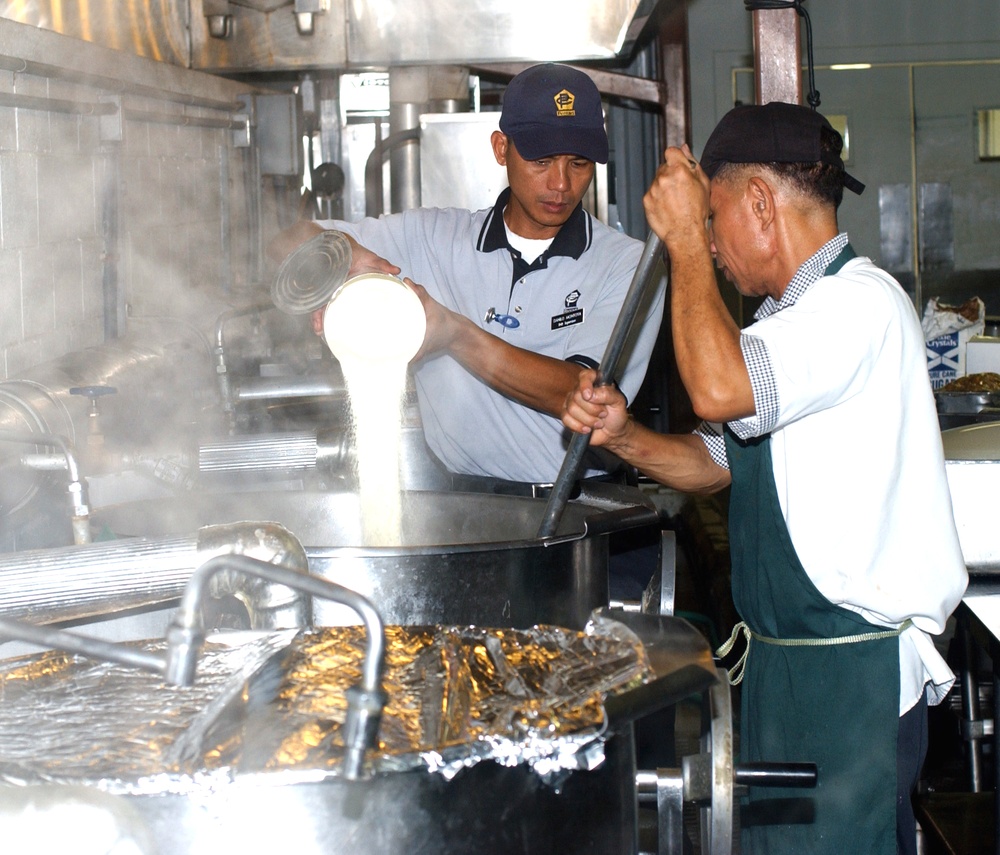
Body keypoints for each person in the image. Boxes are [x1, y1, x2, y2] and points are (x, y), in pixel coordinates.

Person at [561, 101, 969, 855]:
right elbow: (717, 463)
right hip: (788, 666)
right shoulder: (788, 321)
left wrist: (682, 240)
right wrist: (626, 436)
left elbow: (717, 389)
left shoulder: (858, 306)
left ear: (758, 202)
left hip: (851, 677)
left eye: (714, 219)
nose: (711, 243)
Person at [269, 63, 665, 488]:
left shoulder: (629, 265)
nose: (561, 184)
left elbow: (584, 395)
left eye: (579, 163)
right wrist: (337, 259)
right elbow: (284, 243)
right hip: (465, 502)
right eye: (542, 160)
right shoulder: (432, 238)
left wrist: (455, 334)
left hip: (584, 506)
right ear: (501, 148)